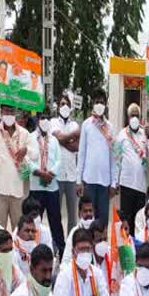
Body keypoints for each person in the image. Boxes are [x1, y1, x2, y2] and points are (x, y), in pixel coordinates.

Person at [0, 105, 35, 230]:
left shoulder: (24, 133)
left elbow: (35, 154)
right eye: (6, 111)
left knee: (18, 230)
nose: (9, 113)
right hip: (1, 190)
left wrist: (26, 150)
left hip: (18, 191)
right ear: (1, 112)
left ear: (15, 113)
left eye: (11, 111)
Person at [77, 88, 117, 224]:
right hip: (89, 181)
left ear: (105, 104)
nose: (99, 104)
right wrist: (78, 181)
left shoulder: (110, 127)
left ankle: (101, 245)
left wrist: (114, 183)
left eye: (102, 102)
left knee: (102, 222)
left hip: (105, 183)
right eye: (97, 102)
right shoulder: (86, 125)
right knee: (88, 220)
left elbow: (113, 157)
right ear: (93, 103)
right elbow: (81, 154)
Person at [30, 109, 65, 258]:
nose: (45, 120)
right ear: (37, 120)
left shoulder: (54, 141)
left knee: (55, 221)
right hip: (36, 187)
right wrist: (39, 173)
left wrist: (50, 174)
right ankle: (31, 250)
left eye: (47, 118)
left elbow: (59, 160)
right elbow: (27, 160)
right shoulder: (30, 138)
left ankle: (62, 252)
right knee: (34, 221)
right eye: (42, 118)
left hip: (52, 188)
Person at [116, 103, 149, 233]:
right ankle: (126, 251)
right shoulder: (122, 134)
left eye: (137, 115)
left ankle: (137, 250)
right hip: (126, 183)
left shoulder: (145, 133)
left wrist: (148, 138)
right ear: (128, 117)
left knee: (138, 221)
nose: (134, 118)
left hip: (141, 185)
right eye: (132, 115)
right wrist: (115, 181)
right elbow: (117, 159)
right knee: (126, 220)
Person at [51, 93, 81, 232]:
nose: (64, 107)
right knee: (55, 214)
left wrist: (62, 140)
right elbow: (59, 138)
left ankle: (71, 244)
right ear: (58, 107)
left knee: (72, 217)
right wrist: (71, 137)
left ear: (70, 107)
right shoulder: (52, 123)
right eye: (62, 104)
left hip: (71, 176)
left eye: (67, 104)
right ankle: (57, 247)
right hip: (57, 176)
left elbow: (77, 147)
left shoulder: (74, 124)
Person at [60, 196, 96, 266]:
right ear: (79, 214)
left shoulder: (98, 230)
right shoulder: (74, 232)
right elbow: (66, 260)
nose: (88, 214)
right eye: (85, 211)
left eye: (90, 211)